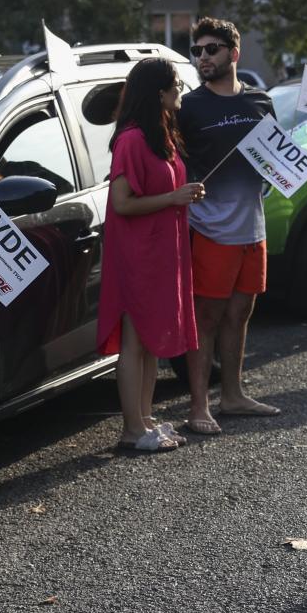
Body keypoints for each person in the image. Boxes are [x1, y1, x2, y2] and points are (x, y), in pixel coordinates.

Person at [177, 16, 280, 436]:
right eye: (197, 50)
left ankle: (233, 395)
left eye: (211, 49)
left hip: (253, 227)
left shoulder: (260, 101)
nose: (203, 57)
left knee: (241, 311)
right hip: (209, 227)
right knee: (207, 316)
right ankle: (199, 405)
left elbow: (275, 158)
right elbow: (173, 162)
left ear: (234, 54)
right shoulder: (189, 107)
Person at [97, 57, 204, 450]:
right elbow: (122, 203)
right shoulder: (130, 139)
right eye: (176, 84)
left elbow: (163, 190)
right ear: (158, 92)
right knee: (135, 340)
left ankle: (144, 420)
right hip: (138, 253)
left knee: (150, 340)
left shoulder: (160, 132)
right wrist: (173, 197)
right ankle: (131, 431)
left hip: (162, 250)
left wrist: (183, 193)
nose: (181, 91)